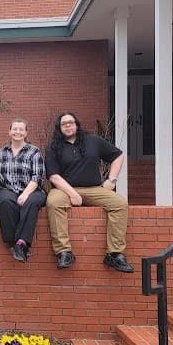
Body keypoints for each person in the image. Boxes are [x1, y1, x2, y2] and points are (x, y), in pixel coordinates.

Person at [44, 112, 133, 273]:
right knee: (53, 202)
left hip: (94, 188)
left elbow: (118, 156)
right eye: (64, 124)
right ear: (59, 128)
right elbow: (53, 176)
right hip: (64, 189)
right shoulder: (54, 147)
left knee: (119, 204)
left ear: (77, 124)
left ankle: (114, 254)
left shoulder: (93, 141)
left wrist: (111, 180)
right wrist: (72, 194)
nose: (68, 125)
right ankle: (64, 252)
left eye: (71, 122)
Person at [0, 119, 46, 262]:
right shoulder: (1, 152)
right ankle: (14, 242)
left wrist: (25, 193)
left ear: (26, 133)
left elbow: (37, 176)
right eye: (15, 129)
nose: (17, 132)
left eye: (21, 129)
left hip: (32, 189)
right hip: (7, 189)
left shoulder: (34, 151)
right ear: (9, 132)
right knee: (5, 201)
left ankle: (21, 243)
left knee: (31, 202)